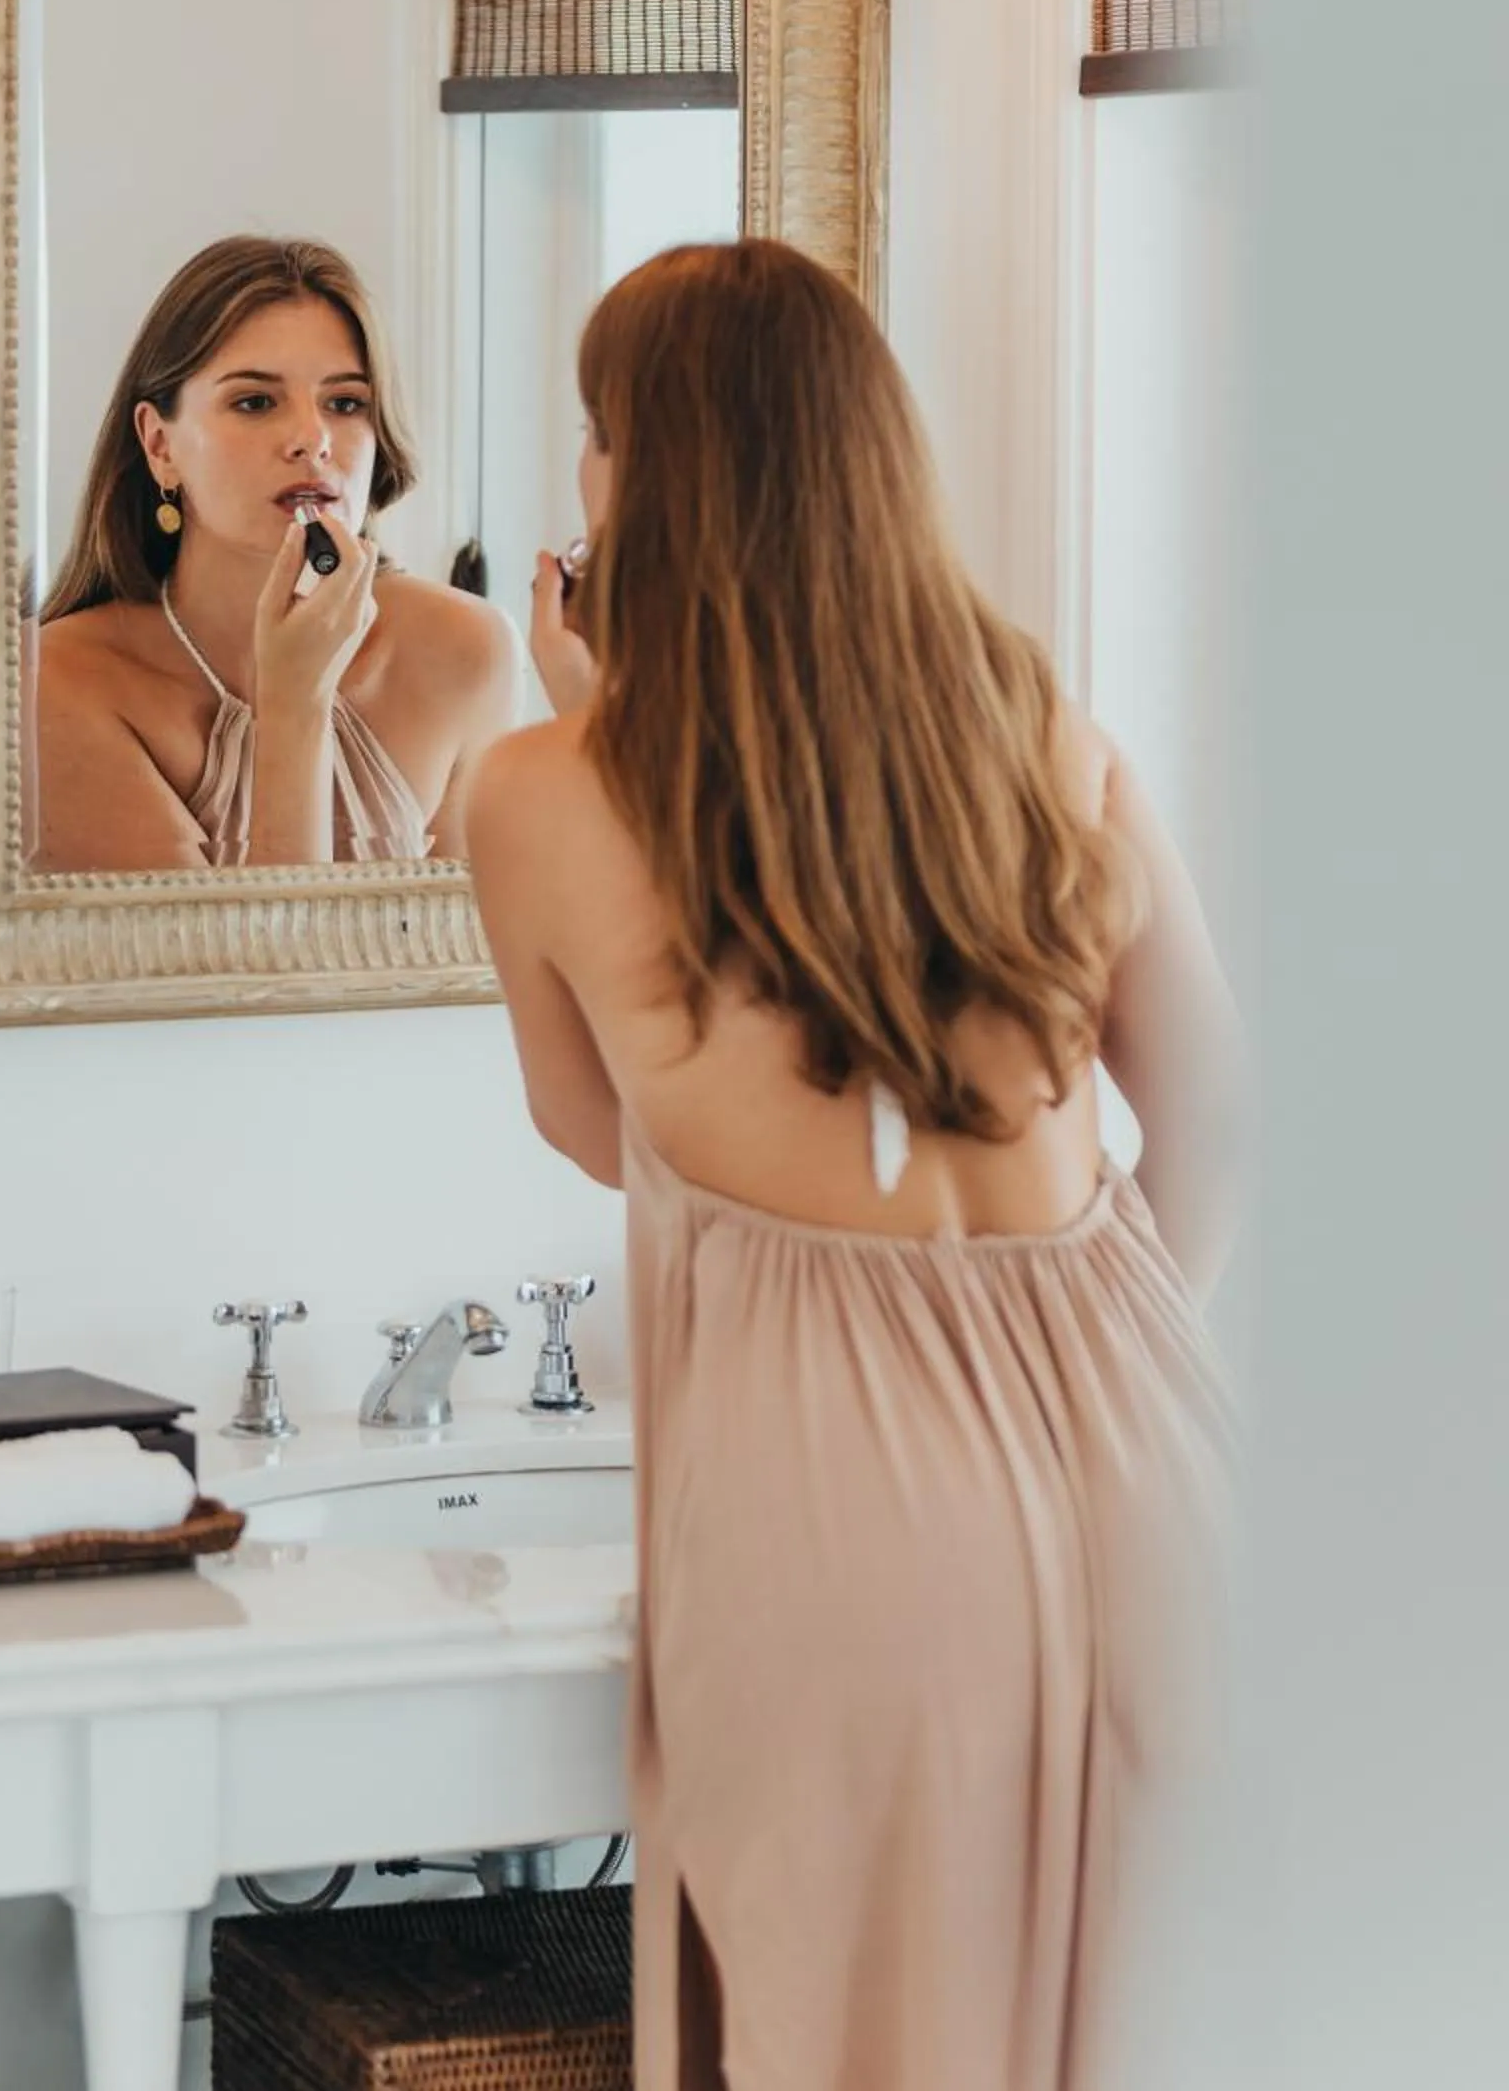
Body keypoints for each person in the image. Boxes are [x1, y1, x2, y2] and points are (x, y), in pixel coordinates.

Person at [468, 238, 1240, 2091]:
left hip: (850, 1522)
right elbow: (1215, 1116)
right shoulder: (1047, 727)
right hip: (1161, 1475)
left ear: (651, 473)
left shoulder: (545, 789)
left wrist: (593, 700)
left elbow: (603, 1133)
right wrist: (1065, 1367)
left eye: (597, 431)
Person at [33, 236, 519, 870]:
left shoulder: (465, 648)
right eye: (255, 402)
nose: (311, 440)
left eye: (345, 403)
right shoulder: (60, 683)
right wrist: (294, 704)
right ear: (159, 445)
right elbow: (238, 968)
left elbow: (471, 959)